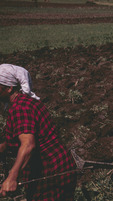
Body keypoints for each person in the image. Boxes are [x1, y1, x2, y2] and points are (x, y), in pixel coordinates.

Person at [0, 64, 77, 200]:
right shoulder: (24, 102)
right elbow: (14, 137)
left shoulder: (21, 108)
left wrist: (12, 177)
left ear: (9, 88)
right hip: (60, 167)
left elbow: (28, 144)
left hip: (51, 175)